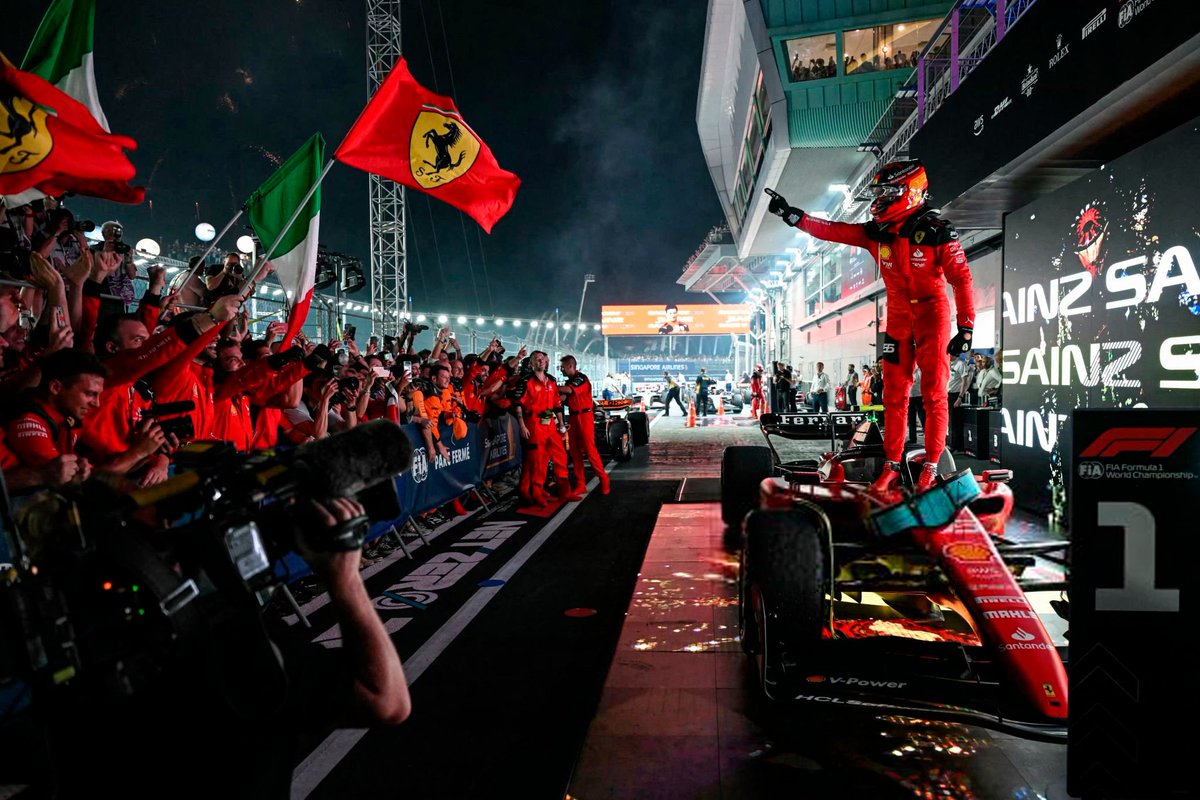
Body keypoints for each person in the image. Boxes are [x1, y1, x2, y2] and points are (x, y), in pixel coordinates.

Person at [767, 158, 975, 494]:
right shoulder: (874, 232)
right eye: (878, 191)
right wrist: (794, 216)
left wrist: (965, 327)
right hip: (897, 317)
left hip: (932, 314)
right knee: (894, 394)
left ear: (909, 191)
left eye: (887, 191)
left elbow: (961, 279)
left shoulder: (938, 231)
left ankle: (931, 465)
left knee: (935, 393)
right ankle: (892, 464)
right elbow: (833, 230)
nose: (879, 199)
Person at [558, 355, 611, 495]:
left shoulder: (581, 378)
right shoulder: (569, 381)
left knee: (589, 450)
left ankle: (603, 478)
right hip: (574, 417)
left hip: (585, 416)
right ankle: (580, 484)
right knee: (575, 452)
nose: (561, 369)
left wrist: (551, 387)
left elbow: (568, 391)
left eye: (563, 367)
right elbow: (563, 397)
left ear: (570, 366)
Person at [907, 365, 925, 444]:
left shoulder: (920, 371)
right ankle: (912, 439)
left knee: (923, 418)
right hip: (909, 397)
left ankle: (928, 437)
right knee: (911, 420)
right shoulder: (907, 370)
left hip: (919, 397)